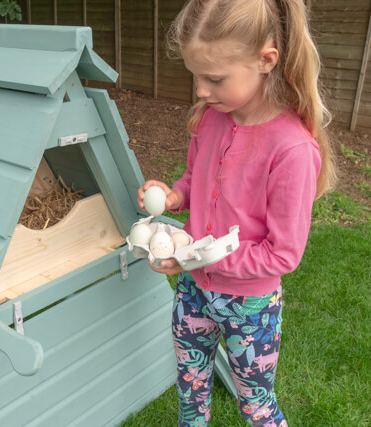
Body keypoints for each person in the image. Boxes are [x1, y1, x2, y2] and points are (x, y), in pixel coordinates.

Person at [136, 0, 337, 425]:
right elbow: (196, 178)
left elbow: (283, 254)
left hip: (250, 307)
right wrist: (174, 197)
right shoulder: (211, 118)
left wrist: (200, 253)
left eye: (214, 78)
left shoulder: (292, 150)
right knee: (190, 390)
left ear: (266, 61)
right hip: (193, 291)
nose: (200, 90)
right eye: (196, 75)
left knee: (256, 405)